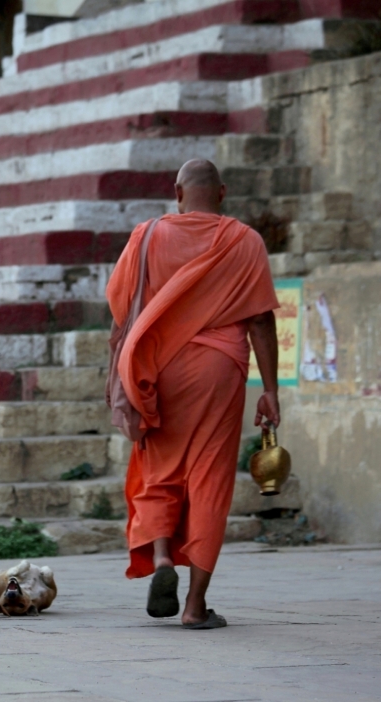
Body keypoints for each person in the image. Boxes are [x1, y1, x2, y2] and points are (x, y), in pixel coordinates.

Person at [105, 159, 280, 630]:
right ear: (221, 193)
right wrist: (270, 389)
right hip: (220, 369)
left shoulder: (147, 236)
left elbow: (121, 304)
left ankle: (162, 559)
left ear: (177, 192)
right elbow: (261, 320)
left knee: (159, 470)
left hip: (159, 366)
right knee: (209, 479)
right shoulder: (244, 241)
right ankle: (195, 607)